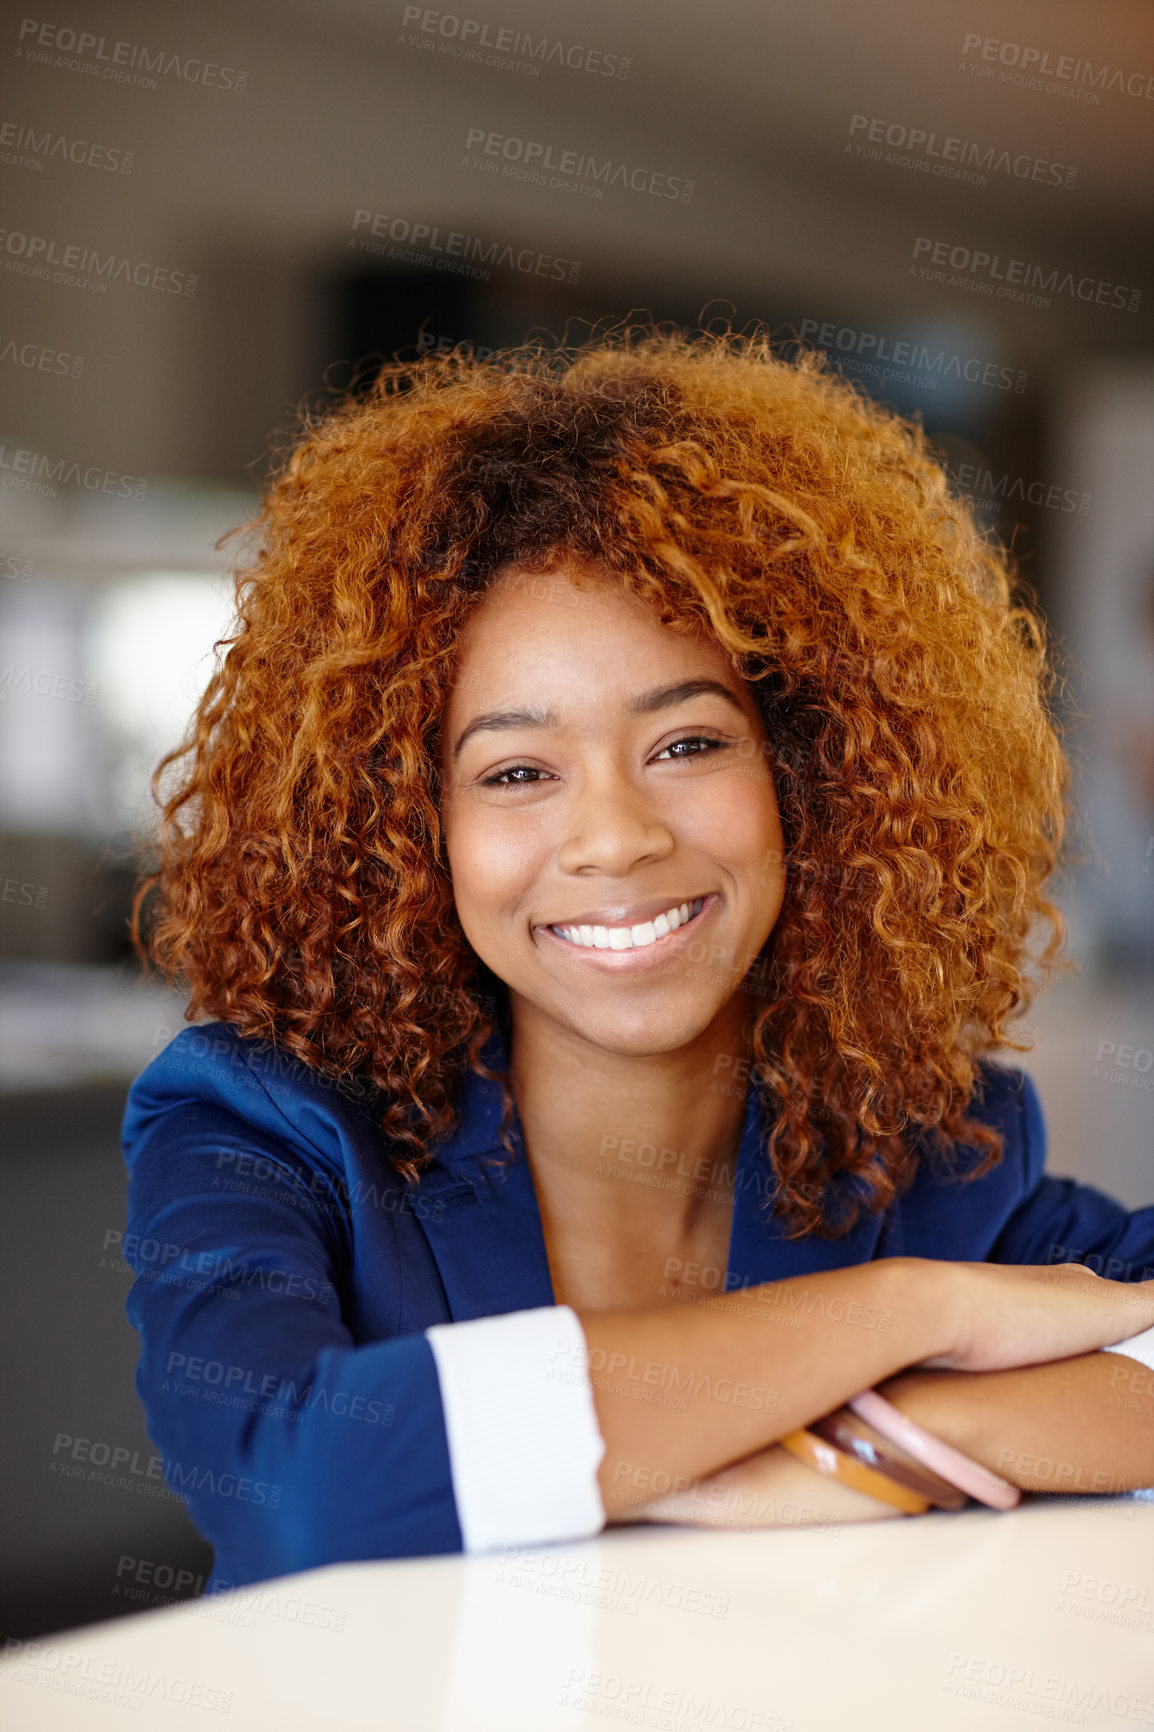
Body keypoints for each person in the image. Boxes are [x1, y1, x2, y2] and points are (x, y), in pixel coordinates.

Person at [123, 330, 1154, 1591]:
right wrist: (911, 1314)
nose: (615, 837)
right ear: (406, 825)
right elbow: (295, 1481)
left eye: (686, 744)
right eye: (515, 772)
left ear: (806, 775)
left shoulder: (926, 1150)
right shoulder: (264, 1128)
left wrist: (889, 1439)